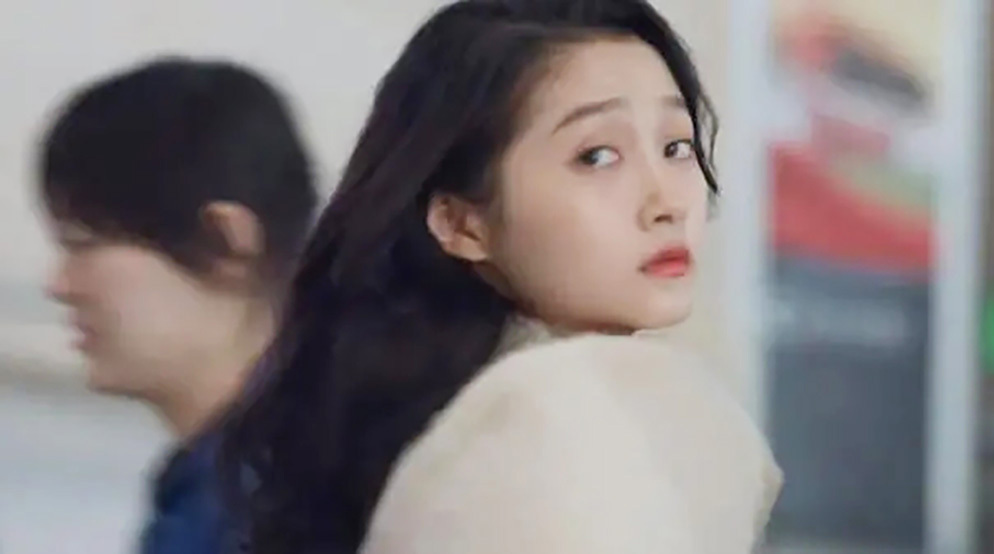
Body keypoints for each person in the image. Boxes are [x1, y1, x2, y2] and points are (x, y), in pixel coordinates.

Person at [224, 0, 782, 552]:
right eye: (597, 156)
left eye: (676, 146)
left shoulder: (470, 417)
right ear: (462, 223)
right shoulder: (543, 442)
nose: (667, 203)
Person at [37, 57, 318, 554]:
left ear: (225, 242)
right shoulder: (229, 481)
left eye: (83, 244)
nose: (59, 285)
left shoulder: (274, 505)